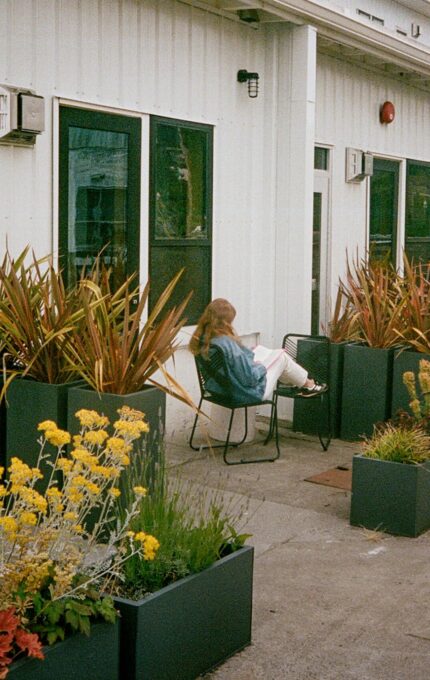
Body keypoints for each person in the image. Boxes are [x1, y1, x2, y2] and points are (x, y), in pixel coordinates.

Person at [189, 298, 327, 405]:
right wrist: (260, 366)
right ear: (225, 322)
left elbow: (230, 366)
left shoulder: (201, 339)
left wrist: (247, 356)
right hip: (245, 394)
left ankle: (301, 384)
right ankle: (309, 385)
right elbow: (249, 378)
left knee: (271, 358)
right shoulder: (227, 343)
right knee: (282, 358)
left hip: (218, 391)